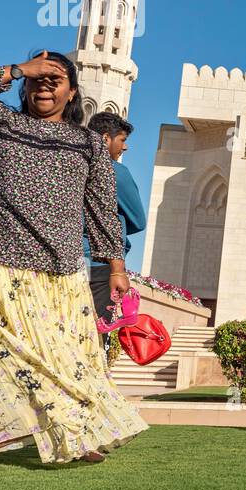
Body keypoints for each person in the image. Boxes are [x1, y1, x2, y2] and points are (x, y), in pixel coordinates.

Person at [0, 52, 149, 472]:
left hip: (59, 265)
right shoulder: (0, 123)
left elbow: (102, 209)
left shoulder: (87, 144)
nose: (46, 85)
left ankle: (76, 432)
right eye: (38, 79)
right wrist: (15, 70)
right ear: (26, 86)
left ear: (72, 92)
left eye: (56, 79)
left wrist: (116, 268)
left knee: (68, 353)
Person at [83, 111, 147, 363]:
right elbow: (138, 220)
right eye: (121, 140)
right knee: (94, 337)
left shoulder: (69, 164)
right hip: (101, 265)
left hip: (64, 259)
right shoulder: (116, 172)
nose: (125, 146)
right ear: (106, 138)